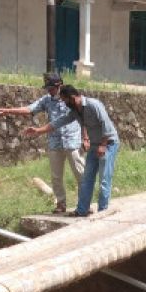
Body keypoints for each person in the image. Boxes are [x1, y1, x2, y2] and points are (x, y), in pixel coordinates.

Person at [23, 85, 119, 217]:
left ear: (72, 97)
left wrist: (103, 145)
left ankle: (103, 211)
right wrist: (39, 130)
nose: (65, 104)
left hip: (108, 143)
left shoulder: (93, 105)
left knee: (104, 179)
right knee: (87, 179)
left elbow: (106, 125)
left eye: (65, 100)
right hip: (95, 145)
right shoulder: (76, 111)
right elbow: (59, 122)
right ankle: (82, 210)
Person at [0, 72, 84, 214]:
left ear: (59, 85)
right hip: (55, 142)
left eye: (51, 88)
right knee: (56, 176)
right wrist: (9, 111)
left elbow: (83, 116)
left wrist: (86, 138)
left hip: (72, 140)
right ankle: (60, 204)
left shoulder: (71, 97)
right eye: (47, 88)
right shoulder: (46, 100)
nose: (49, 91)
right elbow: (29, 109)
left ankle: (83, 203)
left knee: (80, 172)